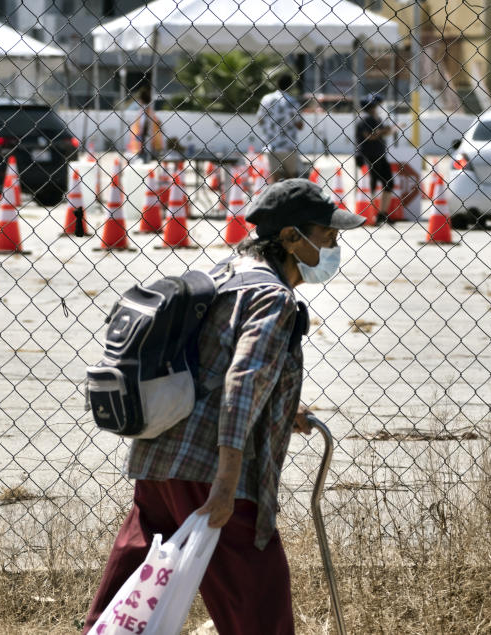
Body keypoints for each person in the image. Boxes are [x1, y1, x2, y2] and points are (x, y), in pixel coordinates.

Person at [82, 179, 367, 634]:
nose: (335, 246)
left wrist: (281, 404)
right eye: (328, 236)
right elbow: (243, 379)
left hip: (157, 456)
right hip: (209, 470)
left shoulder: (224, 274)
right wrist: (228, 478)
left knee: (131, 593)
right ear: (292, 238)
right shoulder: (274, 299)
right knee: (258, 601)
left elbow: (214, 362)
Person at [256, 73, 304, 182]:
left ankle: (275, 198)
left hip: (271, 145)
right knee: (291, 179)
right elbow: (300, 125)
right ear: (290, 85)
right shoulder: (292, 102)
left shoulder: (266, 99)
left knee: (274, 179)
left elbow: (260, 120)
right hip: (289, 146)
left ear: (277, 84)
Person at [355, 95, 395, 222]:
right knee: (371, 184)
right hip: (369, 155)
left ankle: (382, 213)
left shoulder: (376, 119)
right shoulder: (366, 119)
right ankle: (370, 213)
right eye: (375, 105)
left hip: (379, 154)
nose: (377, 108)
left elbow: (381, 133)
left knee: (388, 183)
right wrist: (384, 131)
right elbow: (369, 136)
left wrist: (391, 130)